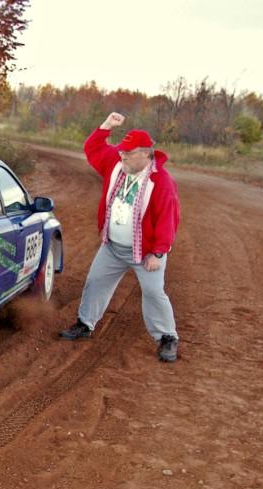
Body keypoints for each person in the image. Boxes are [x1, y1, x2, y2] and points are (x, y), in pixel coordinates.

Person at [60, 112, 181, 362]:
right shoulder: (117, 166)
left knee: (153, 292)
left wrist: (158, 252)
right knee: (96, 282)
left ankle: (167, 337)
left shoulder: (161, 181)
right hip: (113, 247)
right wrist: (106, 126)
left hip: (145, 252)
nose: (122, 155)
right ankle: (85, 323)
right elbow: (93, 148)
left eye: (129, 153)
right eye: (122, 151)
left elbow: (169, 218)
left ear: (146, 154)